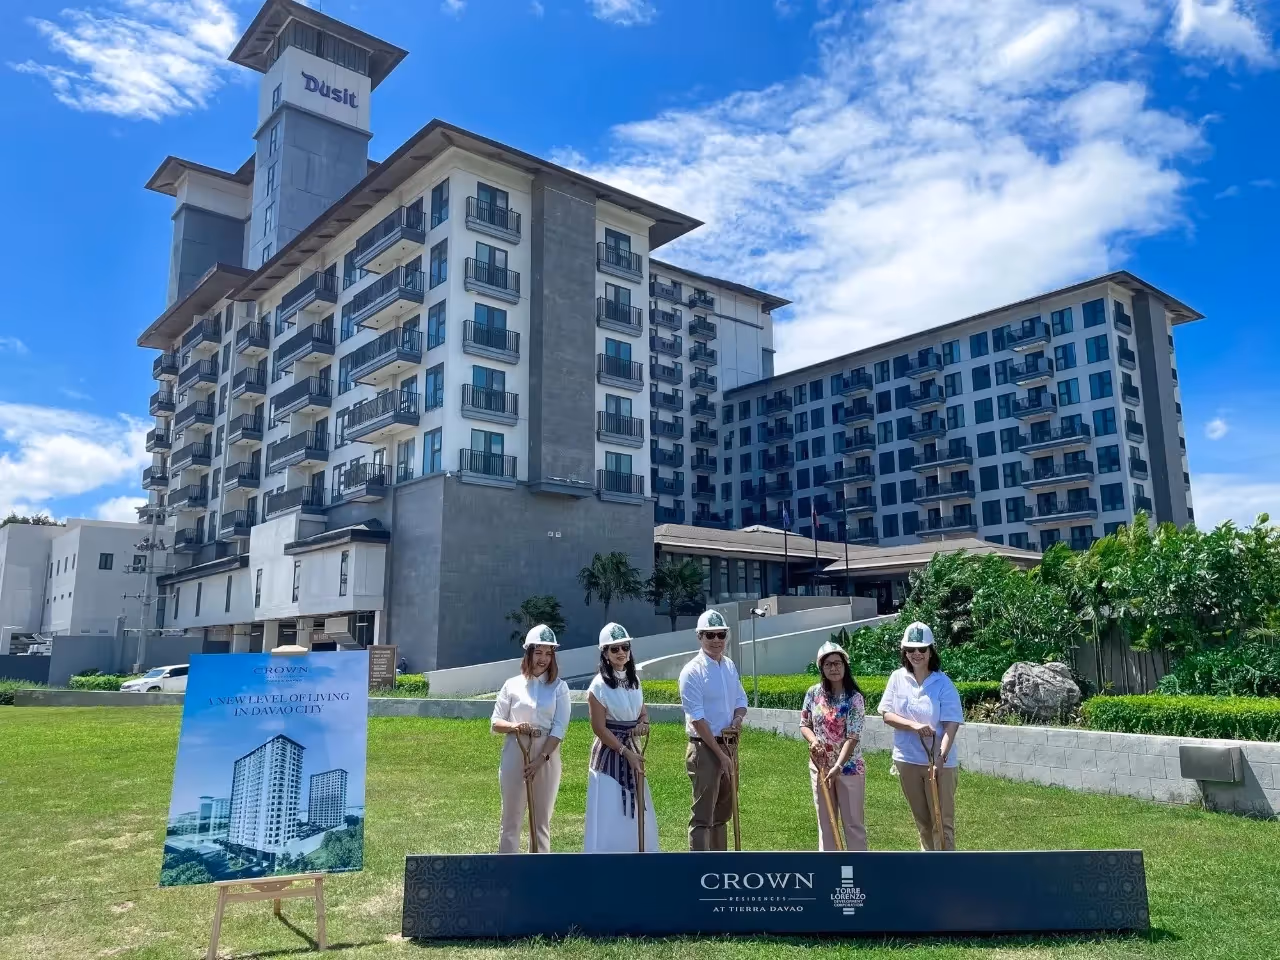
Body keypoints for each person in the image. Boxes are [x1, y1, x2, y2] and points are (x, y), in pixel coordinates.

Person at [877, 621, 963, 851]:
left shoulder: (943, 683)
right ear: (904, 652)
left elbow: (951, 725)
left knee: (942, 823)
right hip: (907, 759)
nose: (916, 654)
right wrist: (914, 726)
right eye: (910, 649)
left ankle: (946, 867)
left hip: (939, 763)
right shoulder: (897, 678)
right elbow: (886, 715)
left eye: (922, 649)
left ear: (931, 651)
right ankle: (927, 864)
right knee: (923, 823)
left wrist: (941, 758)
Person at [490, 624, 570, 853]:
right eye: (539, 652)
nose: (543, 659)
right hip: (516, 750)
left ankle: (539, 870)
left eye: (548, 653)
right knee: (511, 820)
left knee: (541, 822)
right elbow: (495, 722)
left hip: (546, 755)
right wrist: (515, 726)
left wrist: (540, 760)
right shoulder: (512, 685)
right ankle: (508, 870)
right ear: (529, 653)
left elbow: (559, 728)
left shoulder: (559, 688)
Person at [584, 623, 659, 852]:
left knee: (638, 808)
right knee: (611, 810)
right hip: (609, 755)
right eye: (614, 649)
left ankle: (637, 857)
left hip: (633, 748)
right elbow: (599, 728)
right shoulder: (598, 685)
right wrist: (624, 752)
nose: (621, 653)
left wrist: (643, 724)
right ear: (605, 653)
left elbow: (642, 713)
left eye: (625, 647)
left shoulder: (634, 680)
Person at [678, 609, 748, 851]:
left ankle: (721, 864)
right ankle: (701, 867)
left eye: (721, 634)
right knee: (703, 816)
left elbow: (740, 700)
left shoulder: (729, 666)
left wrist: (737, 720)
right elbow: (697, 719)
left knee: (723, 813)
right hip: (704, 748)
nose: (716, 640)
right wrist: (720, 755)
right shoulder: (692, 671)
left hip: (728, 744)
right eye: (710, 635)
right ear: (699, 636)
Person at [799, 640, 868, 851]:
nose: (833, 668)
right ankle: (829, 866)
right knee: (826, 822)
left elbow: (853, 736)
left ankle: (858, 866)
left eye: (837, 663)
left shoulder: (854, 698)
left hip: (848, 768)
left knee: (853, 823)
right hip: (821, 767)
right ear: (821, 668)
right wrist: (814, 741)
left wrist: (838, 765)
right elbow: (804, 724)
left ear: (845, 665)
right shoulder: (813, 693)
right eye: (828, 664)